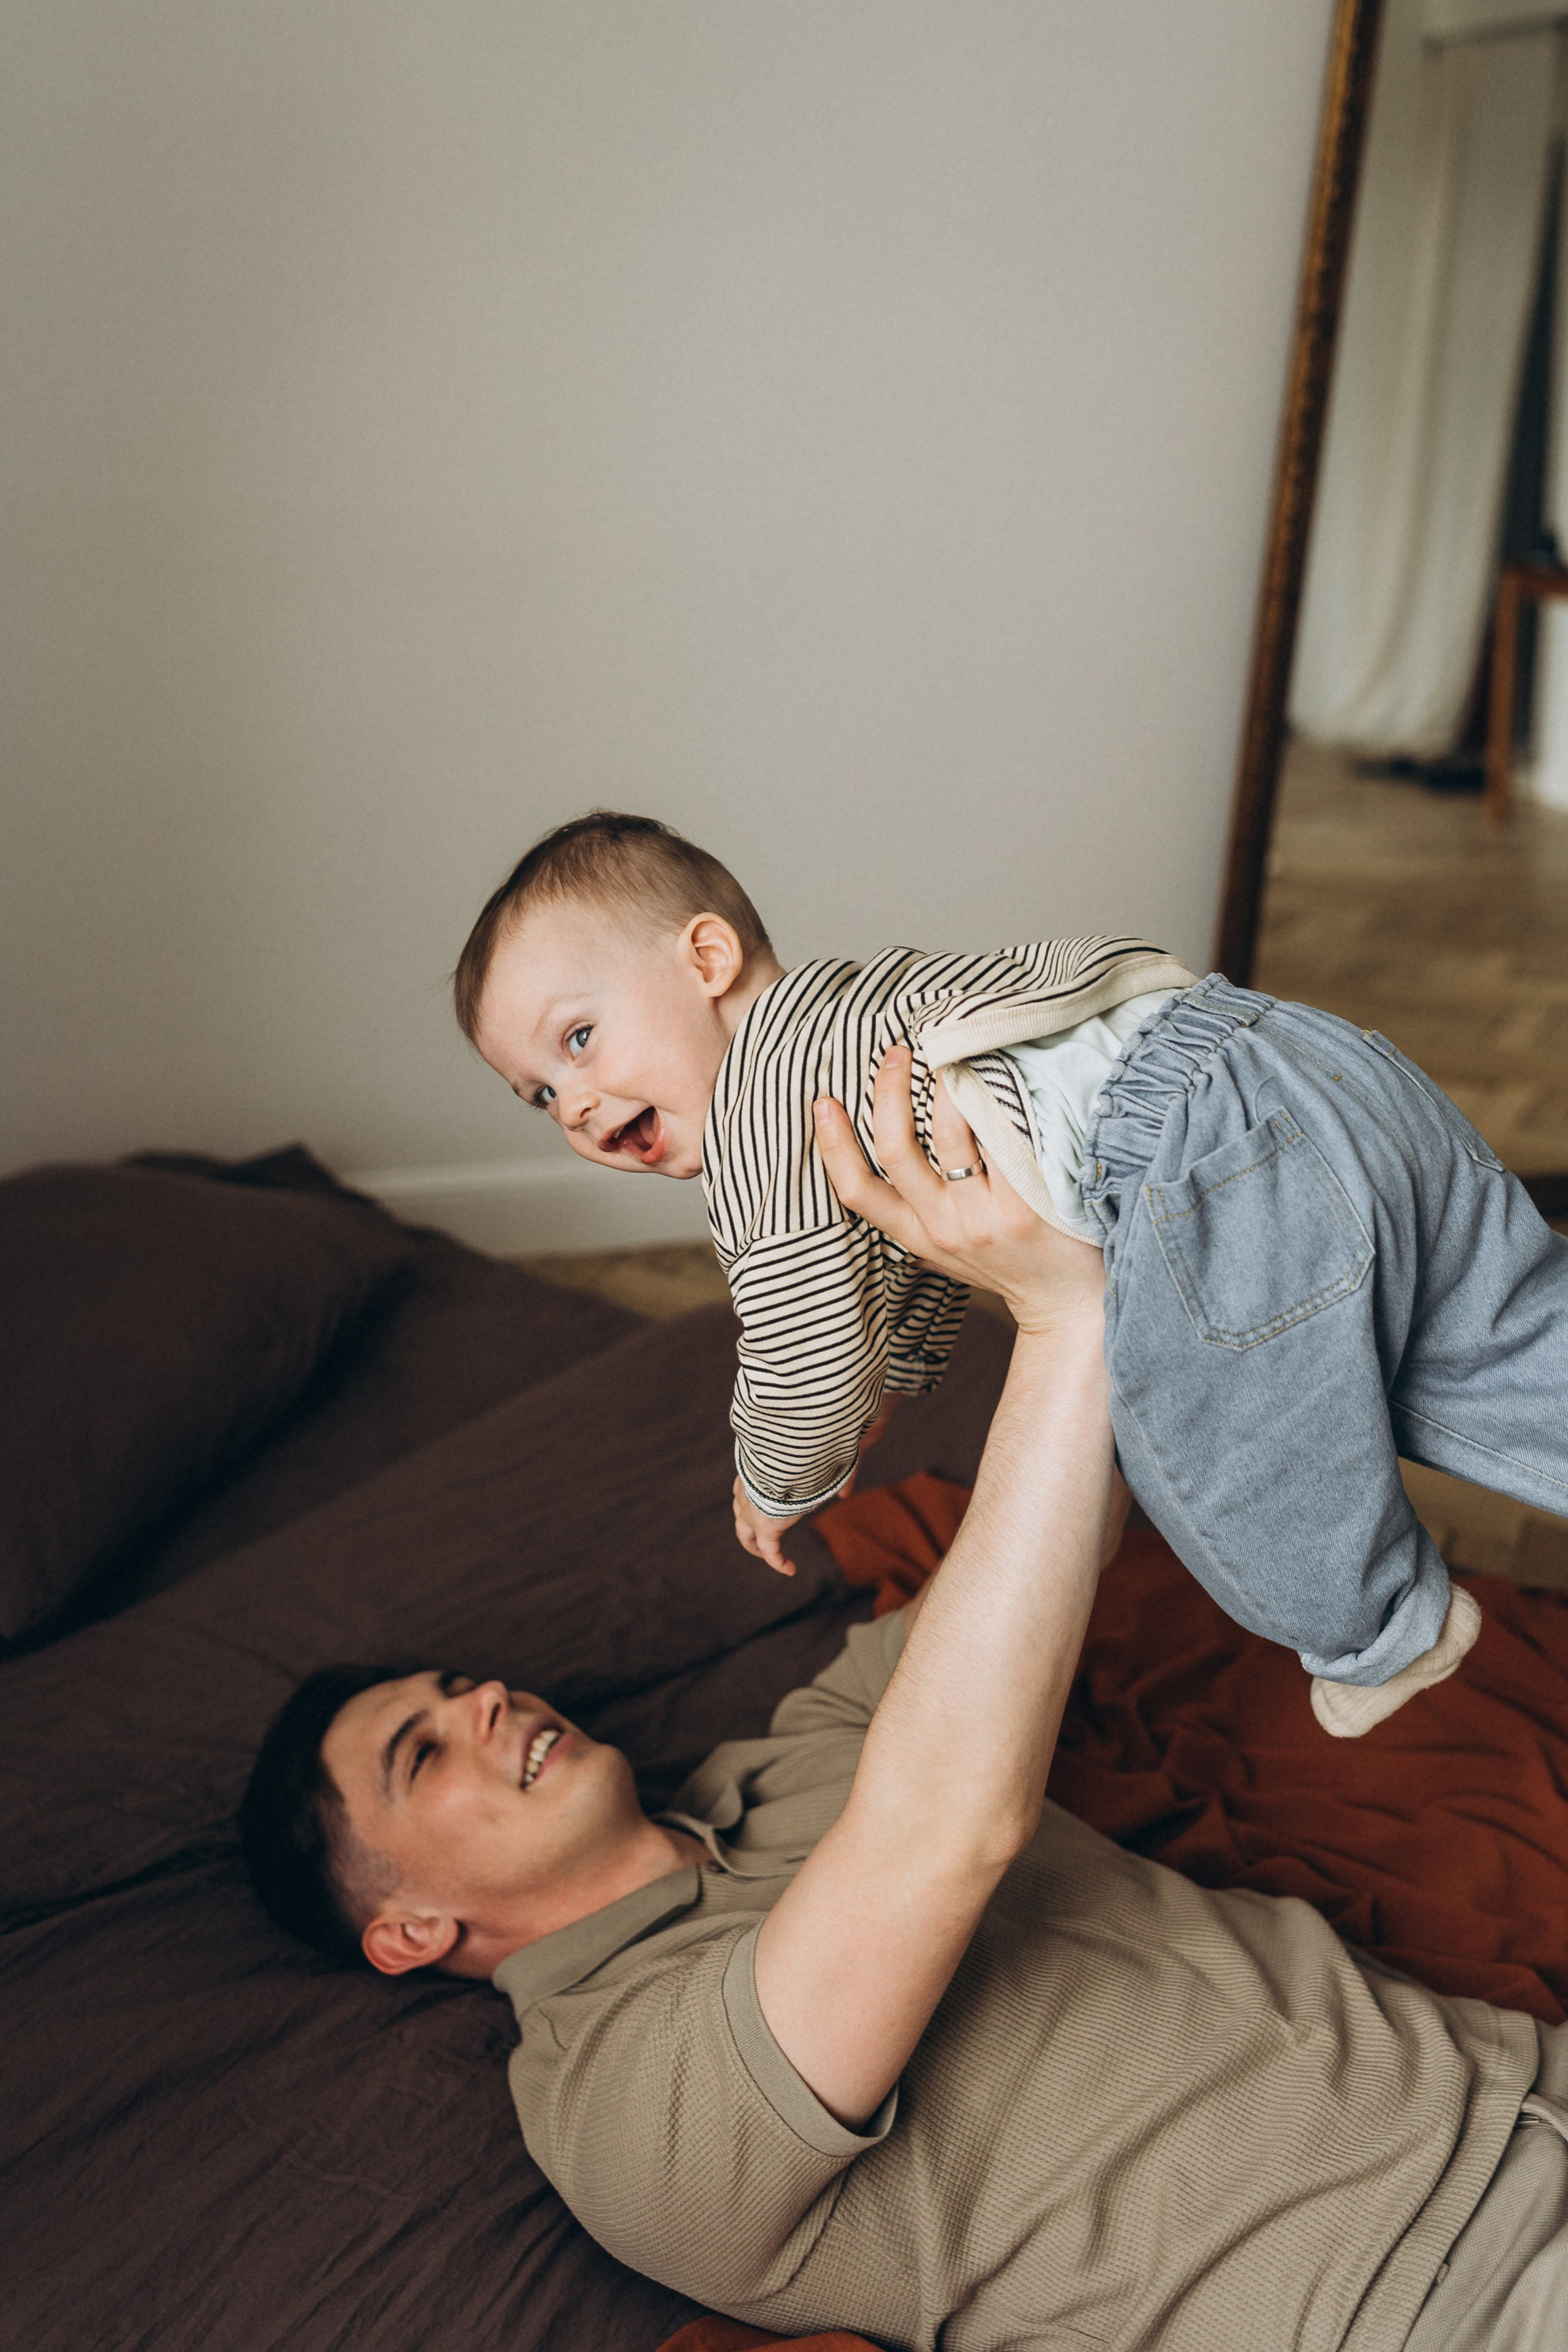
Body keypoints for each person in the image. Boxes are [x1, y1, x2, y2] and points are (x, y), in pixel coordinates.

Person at [241, 1062, 1568, 2351]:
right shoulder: (608, 2104)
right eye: (422, 1753)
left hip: (1519, 2088)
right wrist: (1063, 1323)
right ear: (408, 1930)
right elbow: (941, 1840)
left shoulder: (791, 1758)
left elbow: (1047, 1548)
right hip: (1418, 2306)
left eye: (463, 1685)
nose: (486, 1706)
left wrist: (1070, 1197)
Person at [450, 810, 1568, 1737]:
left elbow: (798, 1342)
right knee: (1492, 1334)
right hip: (1301, 1053)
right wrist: (903, 1376)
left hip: (1197, 1151)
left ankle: (1385, 1633)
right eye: (540, 1094)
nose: (577, 1106)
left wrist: (780, 1475)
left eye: (580, 1041)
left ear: (706, 959)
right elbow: (919, 1241)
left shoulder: (758, 1117)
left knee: (1218, 1430)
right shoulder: (858, 1012)